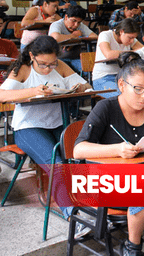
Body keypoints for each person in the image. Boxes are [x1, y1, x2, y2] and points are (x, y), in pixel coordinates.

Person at [74, 52, 144, 256]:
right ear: (122, 85)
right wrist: (117, 150)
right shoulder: (106, 108)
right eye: (138, 89)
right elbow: (78, 150)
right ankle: (135, 244)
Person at [0, 36, 90, 221]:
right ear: (32, 55)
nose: (48, 68)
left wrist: (78, 87)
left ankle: (94, 206)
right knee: (56, 164)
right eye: (43, 64)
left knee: (83, 156)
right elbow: (2, 95)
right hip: (28, 128)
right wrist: (34, 91)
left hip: (58, 124)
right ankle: (74, 216)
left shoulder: (61, 67)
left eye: (52, 63)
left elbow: (87, 86)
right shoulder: (23, 69)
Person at [93, 18, 143, 98]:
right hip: (103, 78)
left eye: (134, 38)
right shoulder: (105, 35)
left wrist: (134, 52)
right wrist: (133, 53)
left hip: (123, 77)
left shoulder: (130, 38)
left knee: (140, 92)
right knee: (125, 96)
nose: (132, 41)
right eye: (130, 38)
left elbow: (143, 51)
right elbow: (109, 54)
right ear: (121, 31)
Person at [48, 6, 98, 73]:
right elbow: (56, 38)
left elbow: (95, 37)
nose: (76, 25)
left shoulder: (80, 26)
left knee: (90, 71)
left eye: (79, 22)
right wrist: (74, 36)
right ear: (66, 17)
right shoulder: (56, 25)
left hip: (76, 58)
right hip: (58, 59)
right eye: (73, 21)